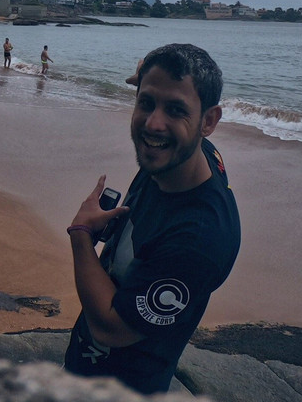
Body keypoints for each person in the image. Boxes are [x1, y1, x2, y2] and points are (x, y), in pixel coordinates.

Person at [63, 43, 241, 394]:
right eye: (146, 102)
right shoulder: (186, 154)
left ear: (209, 121)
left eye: (176, 110)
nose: (153, 123)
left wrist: (81, 232)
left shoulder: (198, 240)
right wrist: (145, 76)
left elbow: (111, 328)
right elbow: (158, 85)